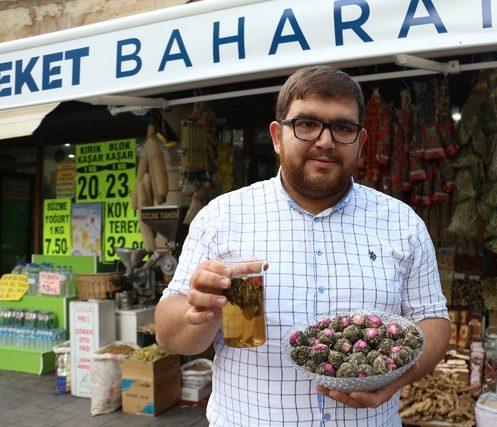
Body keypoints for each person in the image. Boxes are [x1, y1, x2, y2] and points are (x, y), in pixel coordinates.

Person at [156, 65, 450, 426]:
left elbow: (433, 319)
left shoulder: (403, 224)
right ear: (278, 137)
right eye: (307, 124)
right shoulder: (221, 217)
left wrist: (402, 375)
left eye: (342, 127)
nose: (325, 141)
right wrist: (196, 315)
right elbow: (169, 335)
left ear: (360, 142)